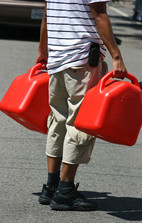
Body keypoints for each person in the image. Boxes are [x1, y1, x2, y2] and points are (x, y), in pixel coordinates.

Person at [36, 0, 127, 211]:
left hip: (57, 60)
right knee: (79, 123)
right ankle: (65, 190)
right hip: (81, 60)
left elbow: (47, 17)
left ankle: (51, 186)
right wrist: (116, 56)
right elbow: (100, 17)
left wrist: (43, 50)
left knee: (57, 122)